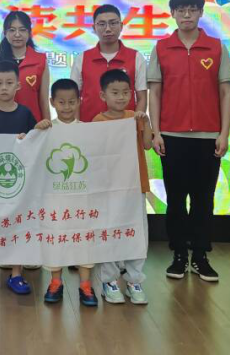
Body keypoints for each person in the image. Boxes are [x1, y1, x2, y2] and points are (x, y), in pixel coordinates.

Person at [148, 0, 230, 283]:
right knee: (175, 199)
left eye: (192, 9)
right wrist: (156, 132)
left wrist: (224, 133)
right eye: (181, 10)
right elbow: (155, 93)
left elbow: (225, 93)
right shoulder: (162, 48)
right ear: (172, 13)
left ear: (200, 13)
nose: (187, 15)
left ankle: (200, 255)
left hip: (208, 137)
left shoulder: (216, 47)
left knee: (203, 199)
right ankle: (178, 255)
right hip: (171, 136)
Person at [0, 59, 49, 295]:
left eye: (9, 83)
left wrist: (36, 131)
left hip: (18, 182)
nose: (4, 87)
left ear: (18, 85)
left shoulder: (25, 113)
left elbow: (33, 142)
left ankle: (16, 273)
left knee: (17, 223)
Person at [92, 69, 153, 305]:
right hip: (109, 189)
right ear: (103, 95)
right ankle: (109, 281)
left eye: (126, 92)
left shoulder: (134, 117)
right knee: (109, 231)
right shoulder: (98, 121)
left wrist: (146, 121)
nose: (121, 97)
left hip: (135, 185)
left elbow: (147, 145)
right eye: (115, 92)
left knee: (137, 233)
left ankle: (134, 280)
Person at [40, 78, 98, 307]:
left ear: (79, 101)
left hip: (82, 198)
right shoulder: (46, 129)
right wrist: (34, 132)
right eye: (61, 102)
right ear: (52, 102)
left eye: (71, 102)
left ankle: (85, 285)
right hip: (54, 198)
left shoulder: (87, 130)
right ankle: (56, 282)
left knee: (84, 238)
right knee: (55, 236)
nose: (66, 107)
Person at [72, 4, 148, 123]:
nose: (108, 29)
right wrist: (76, 125)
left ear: (121, 26)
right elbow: (74, 97)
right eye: (102, 24)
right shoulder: (82, 58)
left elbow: (142, 97)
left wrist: (137, 126)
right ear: (94, 27)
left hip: (125, 127)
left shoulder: (136, 57)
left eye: (113, 23)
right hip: (90, 125)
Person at [0, 10, 51, 122]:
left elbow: (43, 101)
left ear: (29, 32)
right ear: (5, 33)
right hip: (1, 125)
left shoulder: (40, 61)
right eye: (12, 30)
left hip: (33, 126)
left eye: (22, 30)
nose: (17, 34)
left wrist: (48, 126)